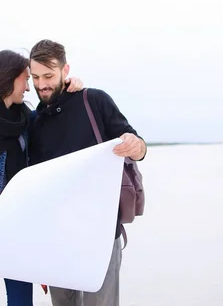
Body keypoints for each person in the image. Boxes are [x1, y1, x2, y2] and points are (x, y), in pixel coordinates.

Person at [0, 49, 84, 306]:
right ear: (8, 78)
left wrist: (70, 88)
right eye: (25, 78)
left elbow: (55, 115)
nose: (29, 86)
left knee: (22, 301)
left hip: (19, 224)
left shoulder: (26, 117)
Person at [28, 40, 147, 306]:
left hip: (101, 233)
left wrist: (134, 145)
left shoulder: (94, 100)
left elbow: (138, 146)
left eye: (48, 76)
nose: (42, 84)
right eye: (35, 77)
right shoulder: (34, 123)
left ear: (65, 70)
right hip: (57, 236)